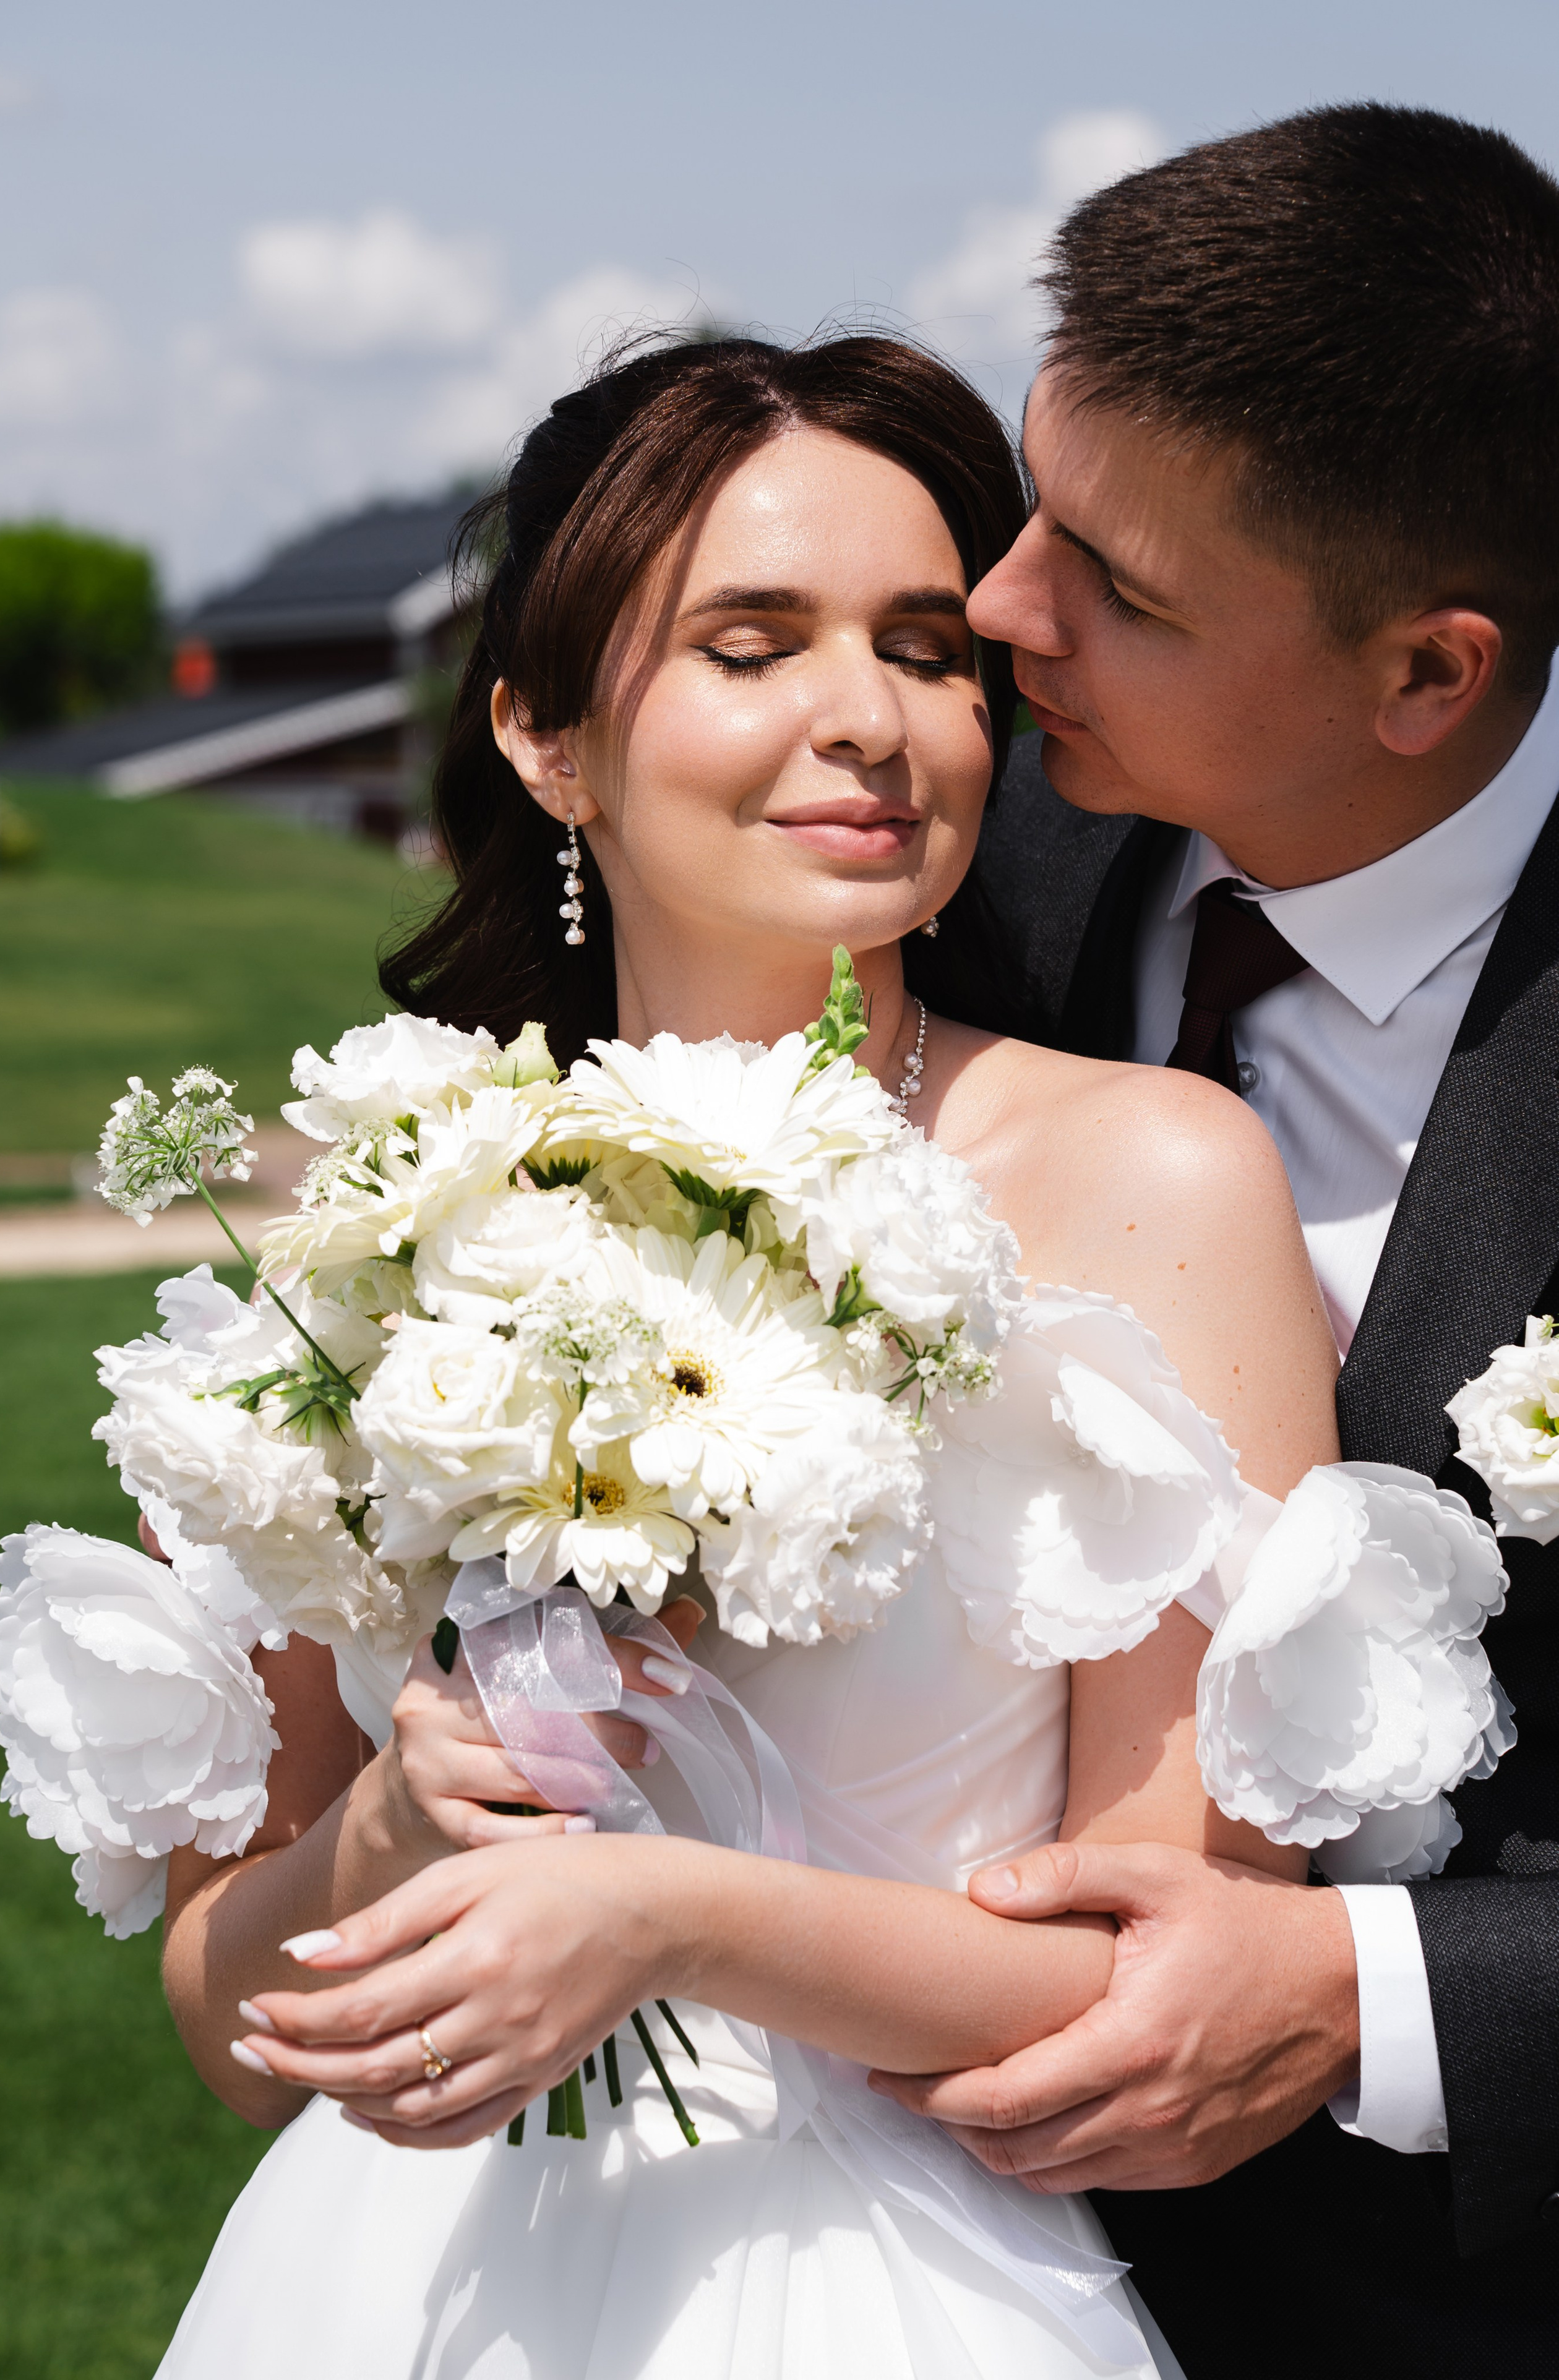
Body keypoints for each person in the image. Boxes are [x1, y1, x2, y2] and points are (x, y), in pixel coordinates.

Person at [155, 333, 1369, 2380]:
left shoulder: (1150, 1174)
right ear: (547, 737)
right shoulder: (385, 1216)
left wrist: (672, 1921)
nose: (870, 721)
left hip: (894, 2291)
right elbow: (232, 2028)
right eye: (752, 643)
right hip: (385, 2295)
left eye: (923, 645)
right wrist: (388, 1837)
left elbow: (1171, 1972)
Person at [871, 103, 1559, 2380]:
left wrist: (1384, 1995)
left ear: (1428, 678)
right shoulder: (984, 868)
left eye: (1121, 589)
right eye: (1030, 512)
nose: (1000, 613)